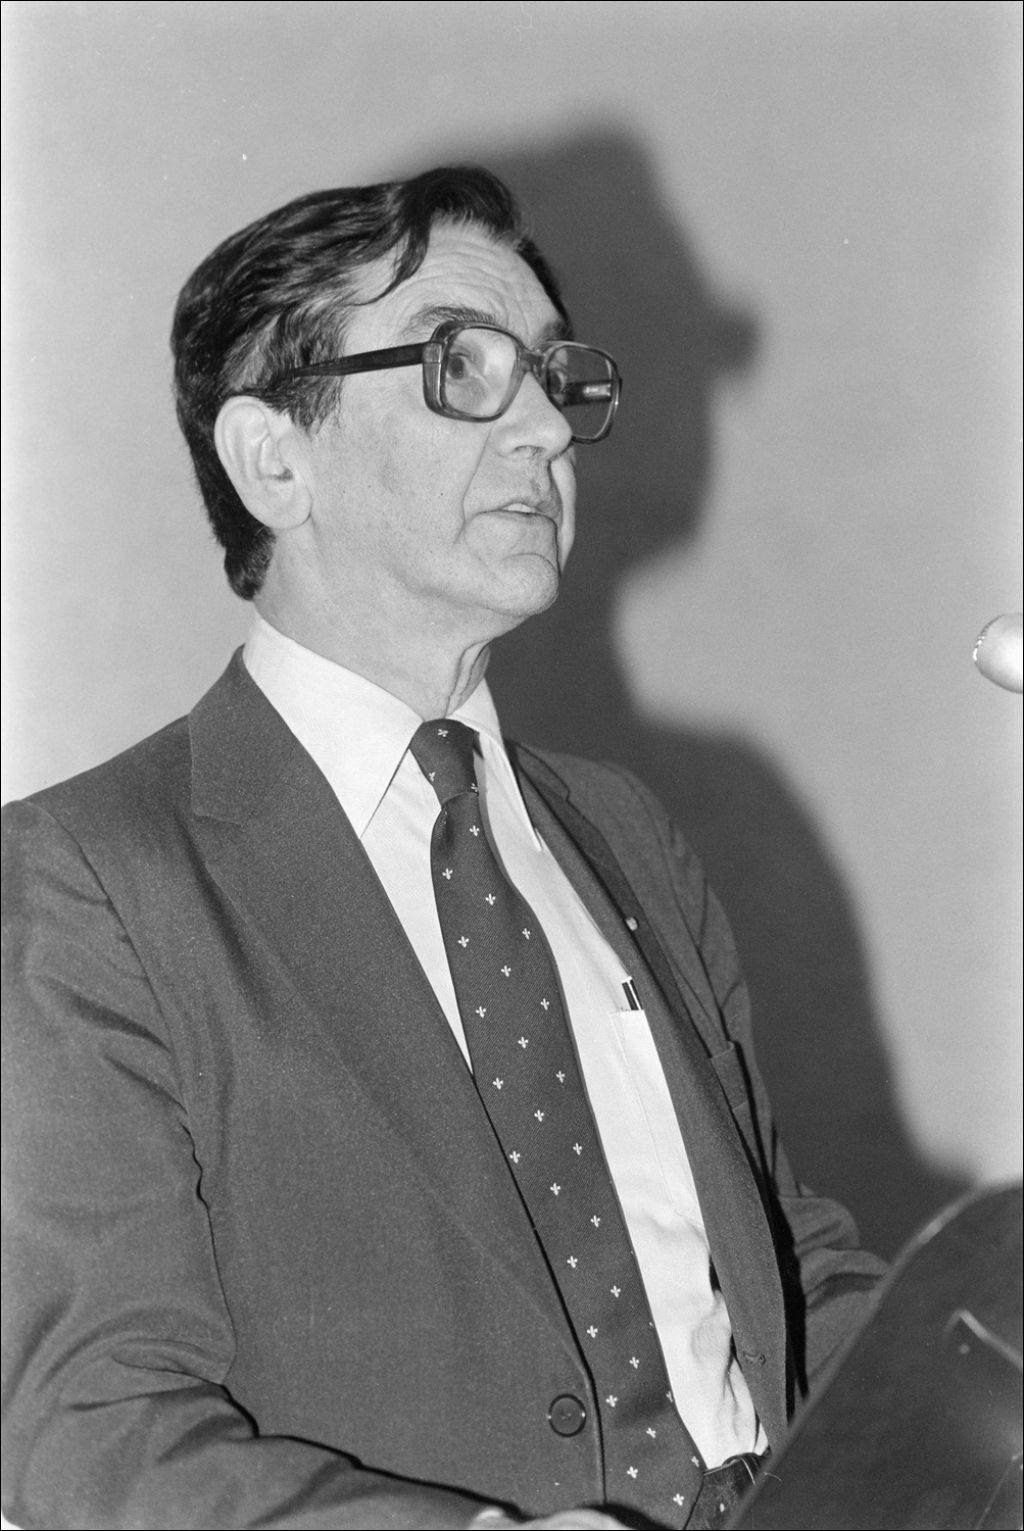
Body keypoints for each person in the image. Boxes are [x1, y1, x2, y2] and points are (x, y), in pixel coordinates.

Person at [1, 166, 885, 1531]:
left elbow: (779, 1274)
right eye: (464, 367)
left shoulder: (627, 834)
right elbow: (94, 1429)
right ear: (273, 460)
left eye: (555, 376)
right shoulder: (92, 881)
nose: (544, 427)